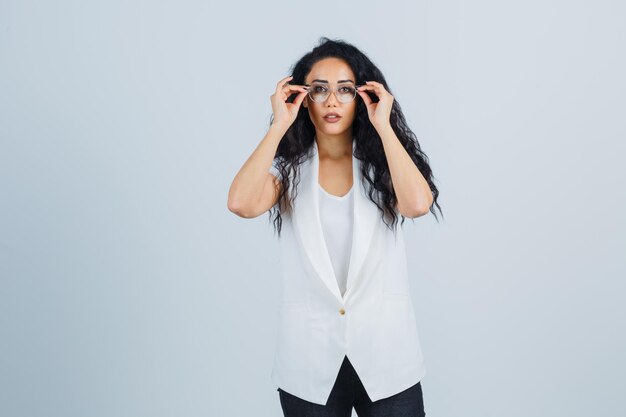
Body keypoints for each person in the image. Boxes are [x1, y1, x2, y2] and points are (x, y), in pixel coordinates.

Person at [227, 37, 442, 417]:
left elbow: (418, 204)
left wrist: (384, 126)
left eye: (345, 90)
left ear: (362, 97)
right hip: (310, 362)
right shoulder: (288, 169)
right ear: (301, 97)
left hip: (387, 357)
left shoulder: (381, 165)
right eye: (318, 90)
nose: (330, 101)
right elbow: (241, 203)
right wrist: (278, 126)